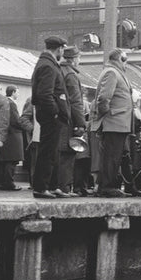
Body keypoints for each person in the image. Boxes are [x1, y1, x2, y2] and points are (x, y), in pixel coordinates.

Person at [90, 49, 133, 198]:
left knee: (112, 156)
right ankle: (107, 187)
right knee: (111, 157)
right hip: (114, 122)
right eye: (125, 60)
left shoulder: (115, 72)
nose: (126, 63)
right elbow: (103, 98)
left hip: (118, 122)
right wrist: (107, 115)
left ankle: (105, 186)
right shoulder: (112, 73)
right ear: (120, 59)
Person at [30, 35, 69, 199]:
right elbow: (45, 94)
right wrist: (55, 112)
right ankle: (41, 187)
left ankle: (52, 186)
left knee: (52, 152)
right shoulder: (48, 66)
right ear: (59, 49)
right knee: (47, 152)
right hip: (50, 115)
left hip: (49, 115)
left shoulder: (46, 63)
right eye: (63, 50)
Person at [57, 45, 87, 196]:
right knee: (68, 154)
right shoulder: (71, 75)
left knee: (58, 154)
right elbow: (76, 102)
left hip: (58, 118)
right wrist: (81, 123)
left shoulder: (59, 71)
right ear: (74, 59)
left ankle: (57, 186)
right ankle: (64, 187)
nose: (79, 60)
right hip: (69, 121)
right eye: (79, 57)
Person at [0, 86, 24, 190]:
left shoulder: (4, 102)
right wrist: (24, 126)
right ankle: (9, 183)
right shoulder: (12, 104)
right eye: (17, 92)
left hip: (6, 135)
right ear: (13, 92)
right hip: (13, 135)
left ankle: (2, 182)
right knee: (12, 161)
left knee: (5, 161)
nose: (18, 94)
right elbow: (16, 121)